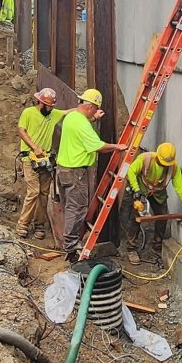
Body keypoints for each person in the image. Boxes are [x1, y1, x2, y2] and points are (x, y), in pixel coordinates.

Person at [50, 89, 126, 258]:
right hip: (75, 172)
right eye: (94, 109)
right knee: (76, 208)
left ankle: (69, 243)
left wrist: (93, 119)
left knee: (70, 206)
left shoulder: (72, 117)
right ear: (91, 106)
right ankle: (70, 247)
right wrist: (117, 147)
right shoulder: (82, 123)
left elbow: (82, 127)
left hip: (63, 170)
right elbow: (97, 146)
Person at [121, 142, 182, 265]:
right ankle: (131, 249)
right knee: (136, 218)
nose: (165, 166)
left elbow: (180, 187)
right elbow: (131, 172)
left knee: (163, 216)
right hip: (141, 189)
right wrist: (136, 189)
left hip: (159, 193)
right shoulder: (145, 159)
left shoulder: (173, 167)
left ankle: (157, 246)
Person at [14, 88, 63, 241]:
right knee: (34, 191)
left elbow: (71, 111)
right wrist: (34, 147)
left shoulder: (54, 114)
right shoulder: (28, 113)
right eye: (49, 106)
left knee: (43, 193)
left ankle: (39, 225)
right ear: (41, 103)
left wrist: (91, 113)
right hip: (30, 158)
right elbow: (21, 131)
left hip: (46, 159)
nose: (51, 109)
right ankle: (22, 224)